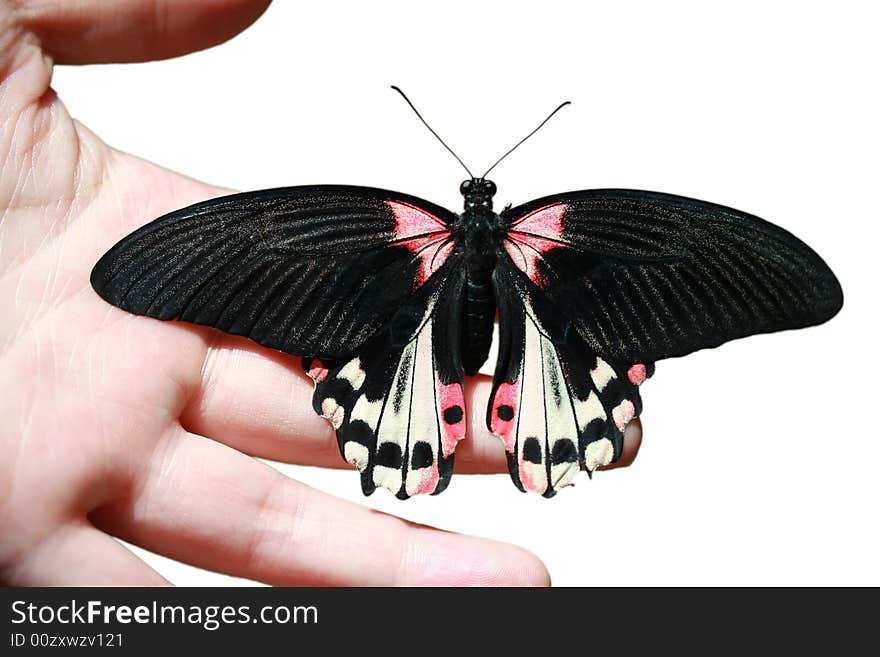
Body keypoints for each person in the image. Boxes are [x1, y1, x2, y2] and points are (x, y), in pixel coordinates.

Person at [0, 0, 640, 586]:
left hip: (414, 360)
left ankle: (455, 423)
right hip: (478, 353)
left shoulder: (402, 231)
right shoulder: (534, 231)